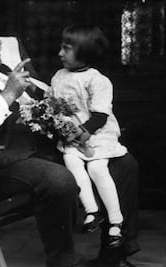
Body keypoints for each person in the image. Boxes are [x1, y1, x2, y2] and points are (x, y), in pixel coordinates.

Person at [0, 12, 163, 267]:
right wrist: (8, 94)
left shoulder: (6, 73)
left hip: (39, 154)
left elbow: (50, 106)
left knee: (123, 164)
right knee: (59, 178)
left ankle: (114, 258)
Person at [50, 25, 127, 248]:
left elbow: (100, 116)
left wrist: (82, 133)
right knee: (70, 159)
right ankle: (91, 209)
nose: (60, 54)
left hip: (97, 134)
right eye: (61, 48)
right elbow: (54, 106)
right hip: (72, 135)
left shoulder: (97, 80)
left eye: (67, 49)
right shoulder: (58, 76)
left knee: (96, 168)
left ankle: (115, 221)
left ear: (85, 52)